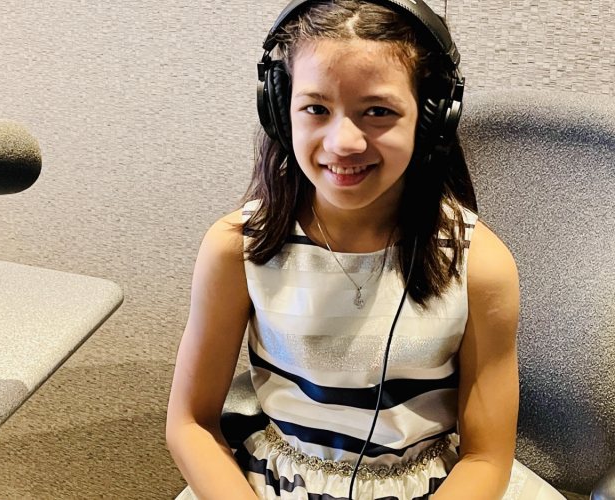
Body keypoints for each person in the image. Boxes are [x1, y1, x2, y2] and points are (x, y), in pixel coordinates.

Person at [166, 1, 566, 499]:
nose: (344, 142)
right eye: (315, 109)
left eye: (378, 111)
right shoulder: (237, 248)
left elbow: (486, 456)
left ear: (430, 119)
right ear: (278, 109)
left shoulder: (479, 264)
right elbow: (190, 424)